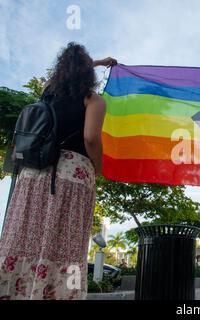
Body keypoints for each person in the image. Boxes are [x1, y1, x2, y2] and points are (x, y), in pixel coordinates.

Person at [0, 42, 116, 300]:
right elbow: (91, 139)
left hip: (32, 175)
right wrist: (97, 167)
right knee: (63, 241)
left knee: (24, 235)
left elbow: (58, 76)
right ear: (89, 74)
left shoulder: (48, 92)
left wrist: (94, 61)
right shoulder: (93, 100)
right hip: (71, 178)